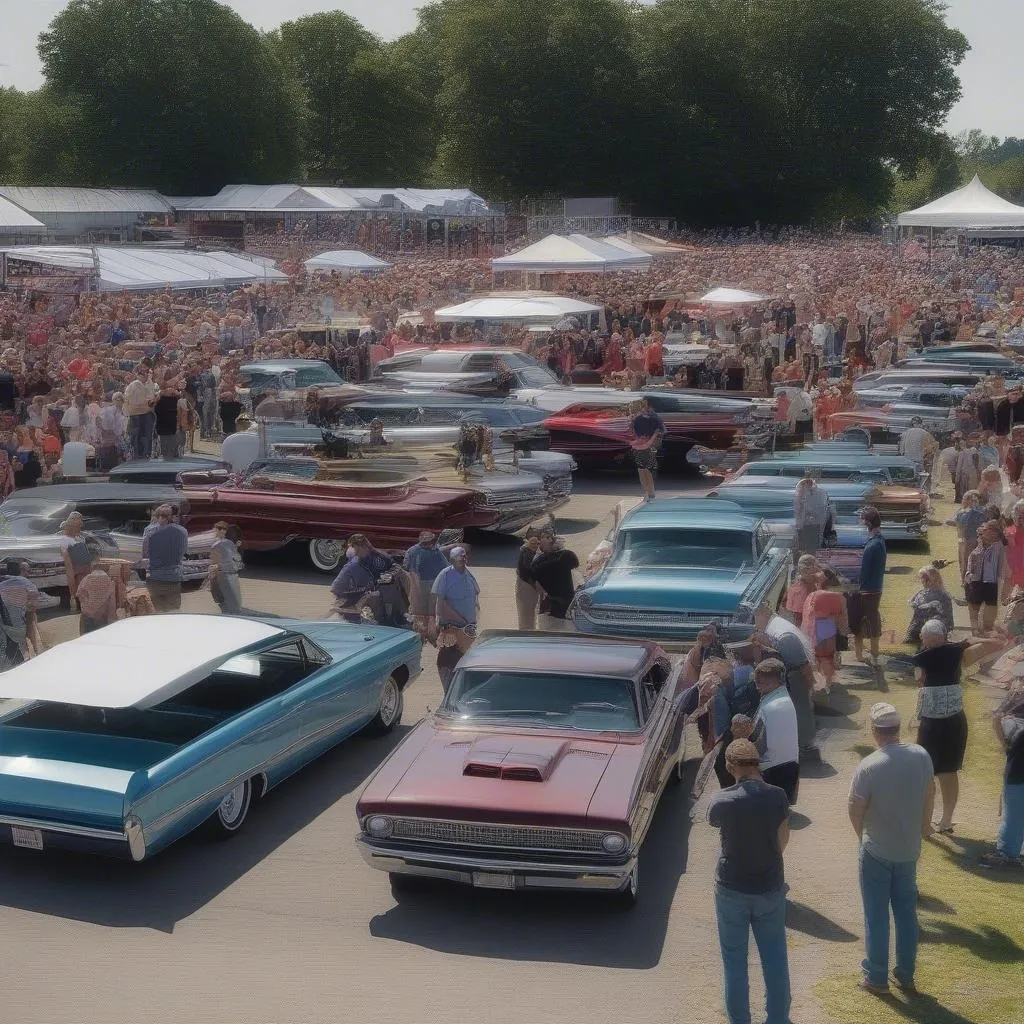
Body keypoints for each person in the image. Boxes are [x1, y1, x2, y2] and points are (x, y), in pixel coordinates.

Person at [848, 703, 935, 997]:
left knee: (876, 915)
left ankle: (876, 976)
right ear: (897, 729)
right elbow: (929, 793)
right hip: (908, 850)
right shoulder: (921, 756)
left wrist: (861, 835)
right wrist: (923, 827)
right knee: (907, 914)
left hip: (876, 849)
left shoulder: (869, 765)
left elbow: (855, 807)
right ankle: (906, 974)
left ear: (874, 731)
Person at [708, 738, 791, 1024]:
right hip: (769, 885)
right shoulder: (778, 796)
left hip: (731, 887)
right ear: (758, 763)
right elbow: (783, 838)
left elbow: (715, 823)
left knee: (734, 962)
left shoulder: (722, 800)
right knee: (775, 958)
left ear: (731, 766)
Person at [913, 620, 1005, 834]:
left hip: (935, 722)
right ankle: (940, 821)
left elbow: (919, 681)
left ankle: (931, 824)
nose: (927, 645)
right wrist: (973, 639)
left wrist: (973, 640)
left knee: (935, 772)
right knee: (943, 772)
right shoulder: (957, 653)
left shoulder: (930, 656)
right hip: (949, 720)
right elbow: (995, 645)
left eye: (929, 641)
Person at [754, 604, 819, 761]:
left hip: (796, 677)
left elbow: (804, 666)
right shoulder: (773, 627)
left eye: (756, 619)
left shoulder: (782, 636)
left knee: (800, 710)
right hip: (789, 675)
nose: (755, 624)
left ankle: (805, 748)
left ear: (763, 615)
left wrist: (810, 687)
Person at [980, 682, 1024, 868]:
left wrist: (1004, 744)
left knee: (1013, 807)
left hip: (1018, 762)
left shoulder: (1018, 691)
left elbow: (996, 718)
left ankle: (1008, 853)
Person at [747, 658, 800, 804]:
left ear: (776, 681)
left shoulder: (773, 707)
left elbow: (762, 745)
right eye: (756, 682)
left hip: (774, 769)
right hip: (785, 765)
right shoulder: (777, 697)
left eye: (761, 683)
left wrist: (750, 764)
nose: (757, 687)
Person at [801, 568, 849, 694]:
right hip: (826, 627)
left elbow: (806, 616)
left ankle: (820, 686)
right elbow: (842, 618)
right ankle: (826, 686)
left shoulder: (812, 595)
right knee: (826, 657)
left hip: (812, 629)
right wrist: (844, 632)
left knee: (817, 658)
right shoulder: (838, 596)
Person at [964, 518, 1010, 635]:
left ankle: (987, 636)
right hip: (975, 582)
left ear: (997, 533)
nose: (989, 533)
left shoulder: (1000, 547)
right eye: (987, 530)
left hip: (992, 584)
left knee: (989, 619)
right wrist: (968, 576)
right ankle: (975, 635)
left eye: (993, 530)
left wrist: (1004, 584)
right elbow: (969, 560)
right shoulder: (976, 543)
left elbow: (1002, 567)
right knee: (974, 614)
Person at [852, 506, 886, 666]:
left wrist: (856, 587)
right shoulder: (879, 540)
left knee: (859, 620)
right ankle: (873, 652)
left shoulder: (873, 545)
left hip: (867, 590)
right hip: (875, 587)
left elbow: (864, 572)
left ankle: (863, 654)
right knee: (873, 619)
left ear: (868, 523)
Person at [431, 546, 480, 655]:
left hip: (469, 626)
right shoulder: (445, 575)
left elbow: (475, 595)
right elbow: (440, 601)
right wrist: (438, 622)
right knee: (450, 657)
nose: (462, 560)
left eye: (463, 557)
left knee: (467, 655)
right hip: (451, 627)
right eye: (459, 558)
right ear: (452, 560)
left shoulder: (469, 573)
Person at [530, 528, 580, 632]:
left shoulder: (562, 556)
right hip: (555, 602)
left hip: (557, 602)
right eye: (545, 538)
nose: (549, 540)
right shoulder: (560, 557)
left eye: (549, 538)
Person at [142, 504, 189, 611]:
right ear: (172, 516)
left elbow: (145, 554)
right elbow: (183, 552)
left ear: (159, 517)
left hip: (155, 578)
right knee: (173, 614)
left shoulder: (150, 531)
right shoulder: (183, 532)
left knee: (157, 614)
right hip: (174, 577)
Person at [405, 531, 451, 633]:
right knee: (420, 611)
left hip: (434, 582)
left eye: (429, 541)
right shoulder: (413, 551)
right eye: (425, 542)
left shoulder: (435, 550)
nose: (428, 544)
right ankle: (421, 631)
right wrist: (416, 588)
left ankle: (430, 630)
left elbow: (446, 567)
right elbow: (412, 571)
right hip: (420, 583)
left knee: (433, 611)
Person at [906, 564, 954, 646]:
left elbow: (945, 615)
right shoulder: (922, 592)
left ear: (929, 580)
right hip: (919, 626)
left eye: (921, 578)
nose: (920, 580)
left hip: (933, 628)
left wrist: (927, 605)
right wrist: (912, 603)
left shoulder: (941, 594)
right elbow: (912, 601)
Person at [629, 398, 665, 500]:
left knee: (642, 469)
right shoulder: (656, 419)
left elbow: (631, 430)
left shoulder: (638, 419)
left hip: (641, 446)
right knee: (646, 469)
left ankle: (648, 491)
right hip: (647, 446)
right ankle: (650, 492)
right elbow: (662, 431)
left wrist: (638, 439)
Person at [792, 473, 831, 562]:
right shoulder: (821, 492)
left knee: (809, 552)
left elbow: (802, 510)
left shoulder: (812, 493)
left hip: (810, 526)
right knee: (810, 551)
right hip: (812, 526)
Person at [75, 555, 118, 634]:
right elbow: (112, 606)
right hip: (103, 618)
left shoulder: (87, 579)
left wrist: (86, 608)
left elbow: (79, 593)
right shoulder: (109, 581)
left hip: (88, 617)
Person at [209, 521, 244, 615]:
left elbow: (215, 564)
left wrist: (212, 580)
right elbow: (237, 560)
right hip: (232, 575)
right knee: (233, 603)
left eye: (215, 530)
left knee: (223, 603)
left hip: (222, 576)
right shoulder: (231, 544)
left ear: (220, 531)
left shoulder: (217, 545)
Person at [124, 367, 157, 460]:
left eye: (146, 373)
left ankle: (146, 455)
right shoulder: (133, 386)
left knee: (146, 437)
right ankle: (138, 456)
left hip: (147, 414)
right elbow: (130, 401)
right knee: (137, 437)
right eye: (142, 374)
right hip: (137, 415)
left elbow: (152, 397)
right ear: (138, 375)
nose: (145, 375)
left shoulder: (150, 385)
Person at [514, 531, 541, 630]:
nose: (535, 545)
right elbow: (527, 571)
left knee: (528, 615)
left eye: (537, 543)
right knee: (526, 615)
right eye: (533, 543)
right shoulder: (526, 553)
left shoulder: (529, 552)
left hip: (527, 587)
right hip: (526, 587)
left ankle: (527, 633)